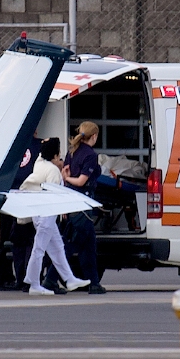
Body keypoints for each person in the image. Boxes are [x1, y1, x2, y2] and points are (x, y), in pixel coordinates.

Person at [20, 138, 90, 295]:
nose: (60, 160)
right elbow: (55, 194)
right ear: (54, 156)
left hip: (41, 213)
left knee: (57, 247)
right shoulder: (51, 171)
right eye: (59, 156)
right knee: (40, 248)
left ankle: (69, 279)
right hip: (47, 214)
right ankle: (34, 283)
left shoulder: (40, 164)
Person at [62, 121, 107, 295]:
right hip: (82, 204)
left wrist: (67, 179)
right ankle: (50, 279)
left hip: (72, 203)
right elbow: (81, 181)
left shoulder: (72, 152)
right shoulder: (90, 155)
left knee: (89, 246)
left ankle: (94, 282)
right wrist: (70, 180)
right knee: (73, 245)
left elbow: (65, 174)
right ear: (94, 136)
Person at [0, 132, 42, 291]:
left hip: (8, 196)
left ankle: (4, 278)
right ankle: (26, 277)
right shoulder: (39, 146)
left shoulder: (9, 145)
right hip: (28, 197)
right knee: (28, 240)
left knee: (7, 239)